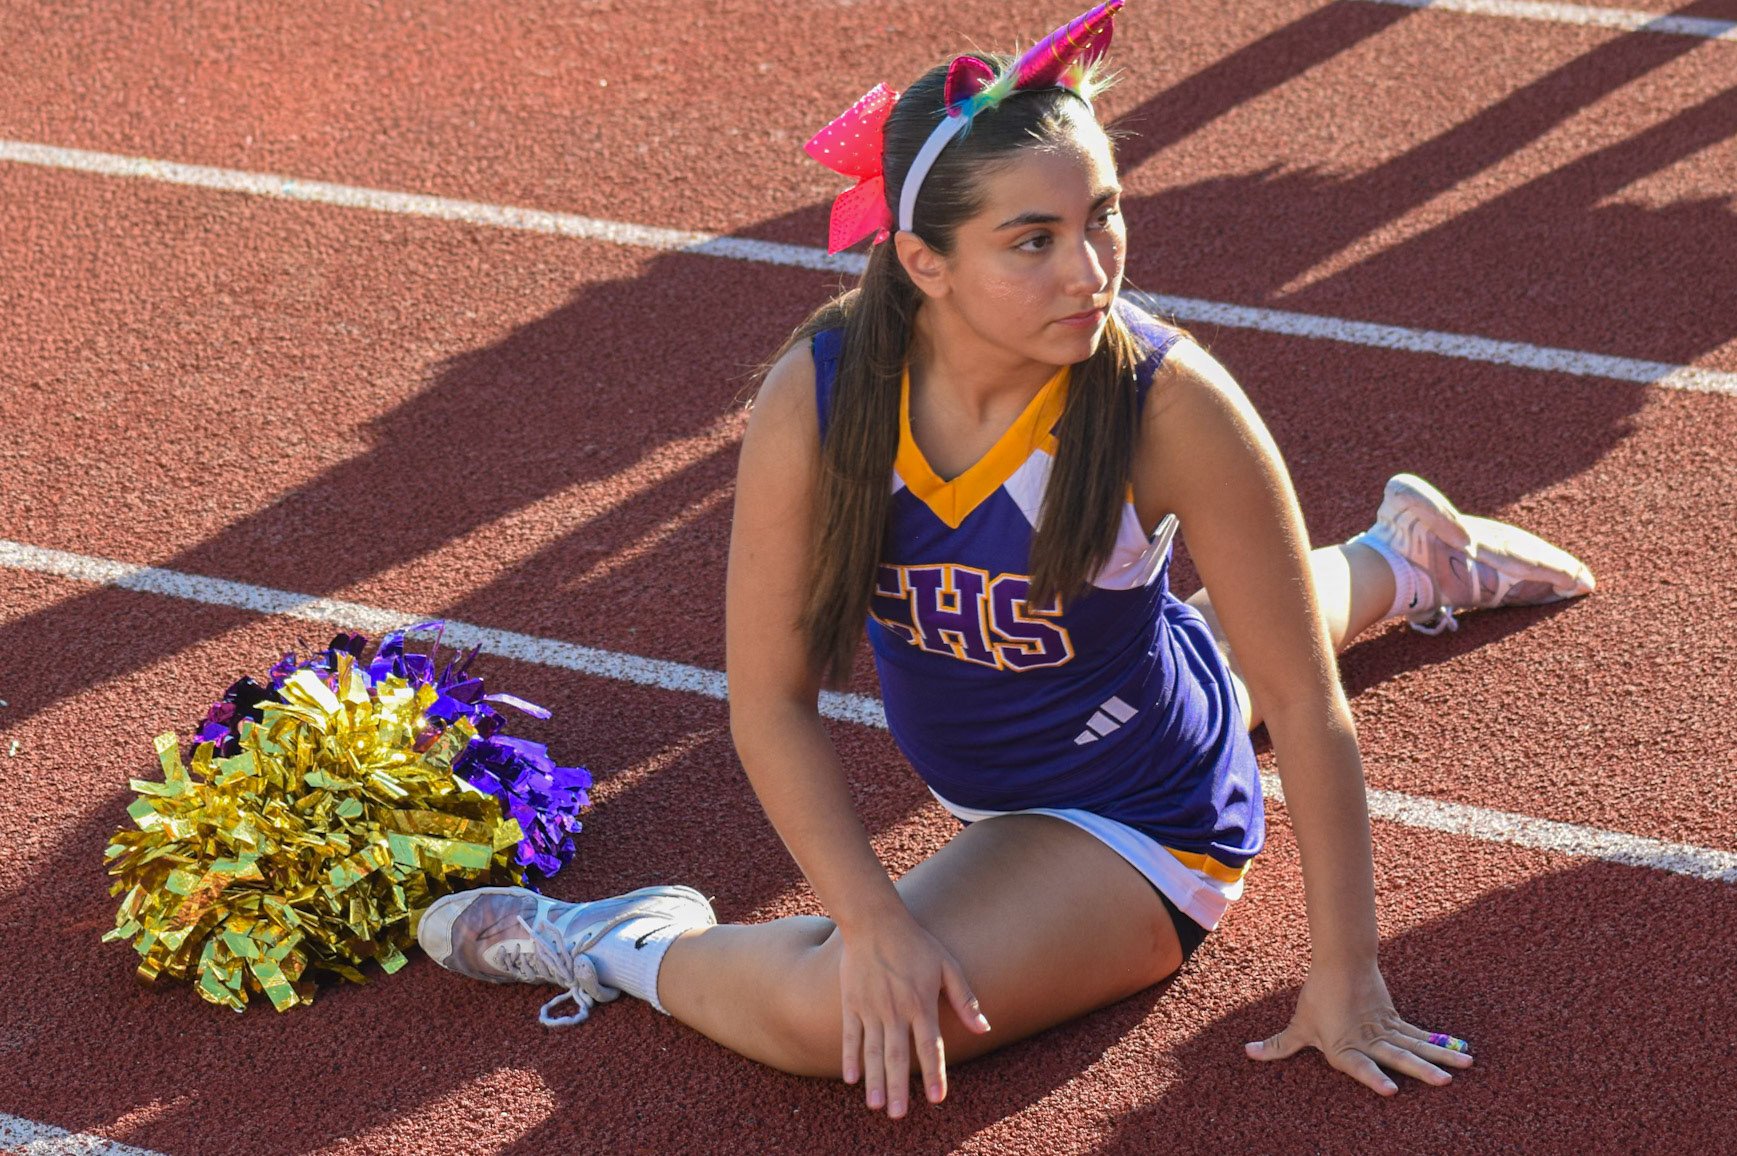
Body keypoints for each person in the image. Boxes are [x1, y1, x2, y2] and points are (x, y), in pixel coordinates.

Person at [415, 1, 1594, 1118]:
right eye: (1033, 240)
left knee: (844, 1023)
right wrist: (868, 913)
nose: (1092, 271)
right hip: (1103, 694)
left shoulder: (1167, 401)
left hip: (1138, 813)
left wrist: (1349, 978)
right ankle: (1407, 556)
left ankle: (629, 941)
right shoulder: (824, 393)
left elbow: (1305, 703)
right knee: (1180, 662)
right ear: (924, 262)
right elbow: (768, 701)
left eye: (1104, 216)